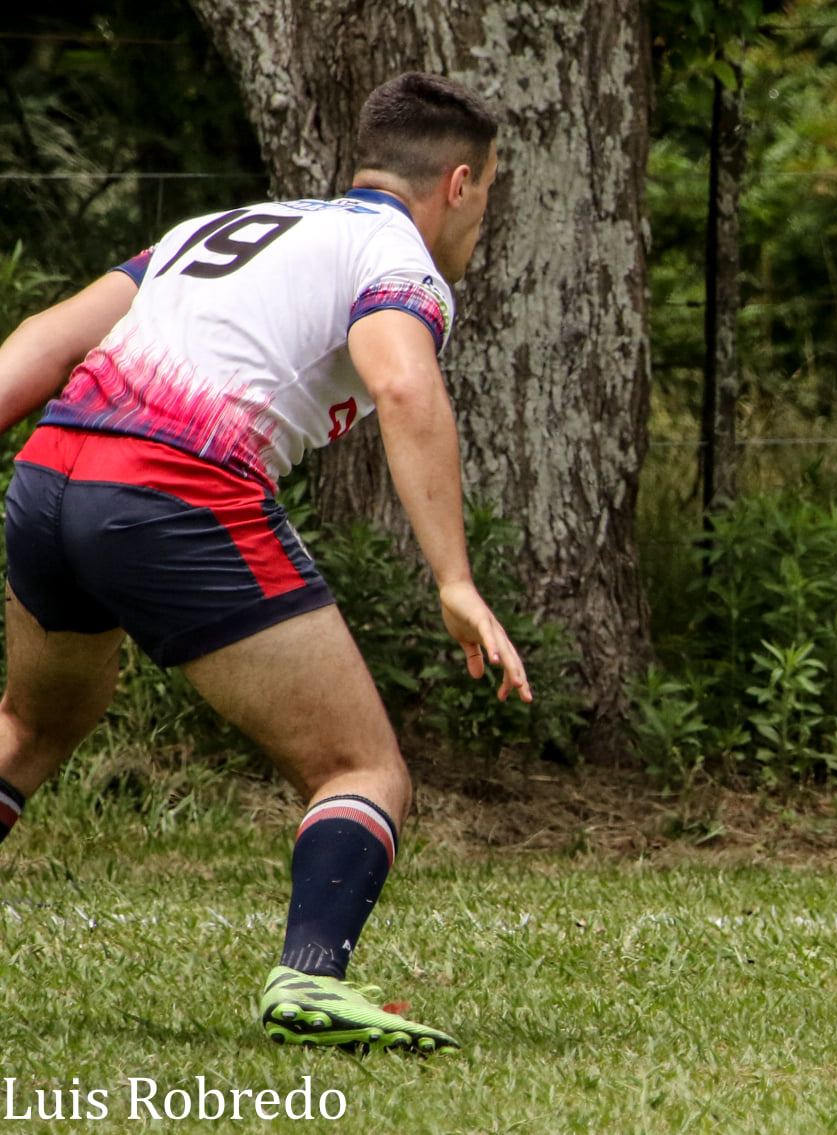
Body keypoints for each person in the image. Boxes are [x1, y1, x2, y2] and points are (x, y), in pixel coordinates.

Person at [0, 72, 530, 1054]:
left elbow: (41, 344)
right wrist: (455, 580)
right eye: (489, 194)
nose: (480, 218)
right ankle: (311, 981)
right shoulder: (394, 255)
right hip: (173, 490)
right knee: (361, 766)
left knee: (29, 726)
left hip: (48, 476)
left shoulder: (215, 226)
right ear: (458, 183)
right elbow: (404, 386)